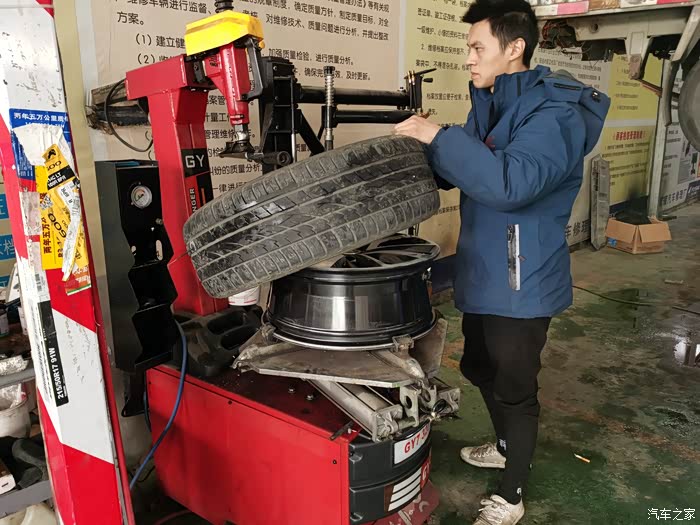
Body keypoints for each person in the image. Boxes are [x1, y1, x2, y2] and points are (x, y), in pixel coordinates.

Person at [394, 0, 610, 523]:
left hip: (523, 277)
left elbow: (510, 183)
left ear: (514, 47)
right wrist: (423, 153)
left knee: (515, 388)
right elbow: (470, 164)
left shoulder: (555, 113)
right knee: (477, 365)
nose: (468, 59)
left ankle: (512, 494)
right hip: (487, 269)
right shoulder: (494, 105)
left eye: (477, 47)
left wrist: (437, 137)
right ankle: (508, 445)